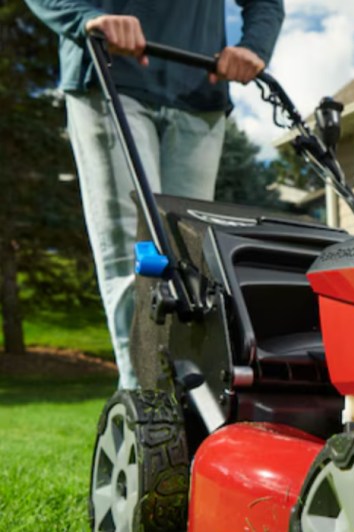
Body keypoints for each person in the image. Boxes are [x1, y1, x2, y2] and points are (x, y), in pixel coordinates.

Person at [25, 1, 284, 389]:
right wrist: (84, 18)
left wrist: (254, 47)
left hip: (200, 90)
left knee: (193, 266)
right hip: (108, 72)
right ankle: (145, 413)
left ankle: (192, 407)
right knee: (135, 260)